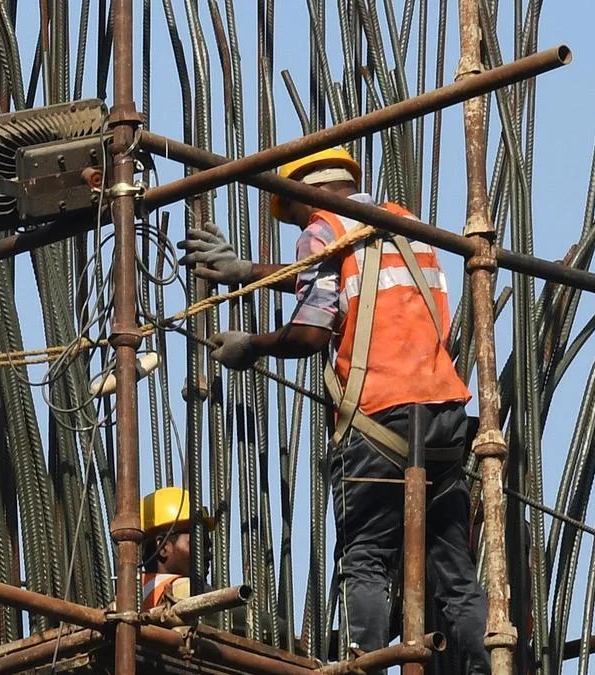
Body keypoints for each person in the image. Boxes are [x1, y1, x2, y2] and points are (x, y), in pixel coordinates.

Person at [178, 147, 489, 674]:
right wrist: (247, 271)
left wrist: (251, 344)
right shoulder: (404, 225)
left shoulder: (321, 228)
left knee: (365, 558)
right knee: (454, 569)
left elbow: (310, 331)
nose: (299, 223)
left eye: (296, 213)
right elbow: (338, 271)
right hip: (444, 416)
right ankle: (485, 665)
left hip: (378, 419)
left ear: (305, 195)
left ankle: (362, 666)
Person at [140, 486, 213, 610]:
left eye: (207, 547)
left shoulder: (130, 593)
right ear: (163, 547)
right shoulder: (182, 589)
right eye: (198, 545)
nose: (208, 555)